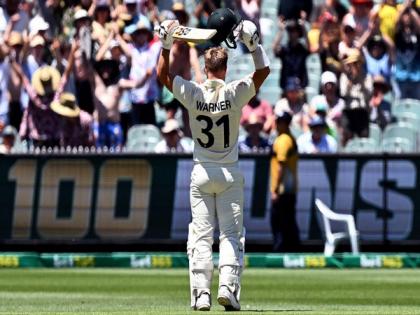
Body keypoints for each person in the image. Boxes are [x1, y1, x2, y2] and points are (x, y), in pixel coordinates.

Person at [156, 12, 270, 311]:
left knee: (201, 235)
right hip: (230, 172)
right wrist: (254, 45)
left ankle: (201, 294)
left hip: (202, 172)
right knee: (231, 235)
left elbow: (162, 77)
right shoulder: (234, 93)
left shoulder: (193, 93)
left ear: (205, 68)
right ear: (226, 67)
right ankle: (228, 289)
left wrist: (166, 46)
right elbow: (263, 73)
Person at [270, 108, 300, 252]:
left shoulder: (283, 140)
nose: (275, 124)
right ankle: (293, 247)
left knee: (279, 221)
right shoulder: (289, 138)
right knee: (289, 221)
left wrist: (275, 189)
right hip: (289, 188)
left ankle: (281, 250)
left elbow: (281, 166)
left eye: (278, 122)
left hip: (283, 188)